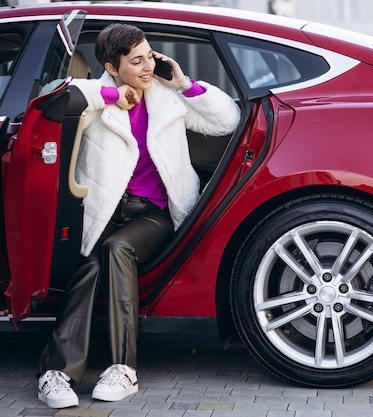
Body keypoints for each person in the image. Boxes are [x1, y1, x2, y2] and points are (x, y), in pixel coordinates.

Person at [36, 23, 241, 409]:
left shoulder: (167, 97)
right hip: (105, 212)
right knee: (91, 265)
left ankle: (122, 369)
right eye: (136, 61)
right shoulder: (98, 97)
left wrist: (183, 84)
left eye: (150, 55)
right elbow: (54, 100)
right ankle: (57, 373)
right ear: (112, 67)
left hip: (155, 215)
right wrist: (113, 96)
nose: (148, 66)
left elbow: (226, 121)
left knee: (116, 249)